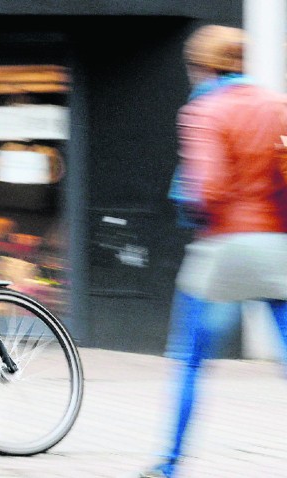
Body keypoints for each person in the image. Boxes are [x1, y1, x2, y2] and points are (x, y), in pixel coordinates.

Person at [140, 25, 287, 477]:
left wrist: (191, 208)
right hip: (275, 244)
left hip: (223, 248)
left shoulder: (203, 110)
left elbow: (206, 190)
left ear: (204, 65)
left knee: (190, 361)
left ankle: (168, 465)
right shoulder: (277, 106)